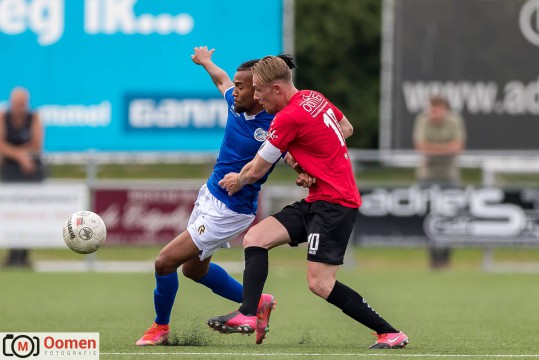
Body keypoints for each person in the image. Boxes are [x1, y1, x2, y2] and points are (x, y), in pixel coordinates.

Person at [207, 56, 409, 349]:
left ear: (276, 88)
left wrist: (238, 180)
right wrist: (310, 162)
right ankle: (249, 313)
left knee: (320, 284)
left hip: (335, 204)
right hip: (318, 199)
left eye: (260, 91)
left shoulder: (287, 117)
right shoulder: (312, 97)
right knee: (256, 238)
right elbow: (346, 128)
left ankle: (390, 333)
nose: (258, 98)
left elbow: (257, 169)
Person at [136, 47, 304, 346]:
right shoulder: (235, 105)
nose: (233, 91)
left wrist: (302, 170)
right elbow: (221, 80)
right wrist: (206, 62)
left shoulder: (273, 124)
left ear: (258, 91)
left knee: (164, 262)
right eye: (236, 86)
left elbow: (291, 154)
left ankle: (159, 329)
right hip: (210, 196)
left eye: (241, 87)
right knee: (193, 270)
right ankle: (258, 300)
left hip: (230, 209)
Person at [413, 95, 466, 269]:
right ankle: (433, 259)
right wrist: (445, 148)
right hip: (427, 177)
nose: (433, 113)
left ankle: (446, 259)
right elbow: (421, 146)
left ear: (445, 109)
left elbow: (457, 147)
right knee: (427, 217)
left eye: (437, 109)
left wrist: (432, 149)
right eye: (431, 109)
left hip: (449, 177)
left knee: (449, 218)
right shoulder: (422, 120)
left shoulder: (455, 120)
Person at [0, 87, 45, 267]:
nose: (20, 107)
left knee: (29, 213)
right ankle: (11, 255)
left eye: (23, 103)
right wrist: (19, 156)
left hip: (29, 172)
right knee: (10, 211)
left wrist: (23, 156)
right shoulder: (3, 117)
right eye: (17, 103)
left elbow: (36, 145)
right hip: (9, 171)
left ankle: (24, 255)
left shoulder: (33, 118)